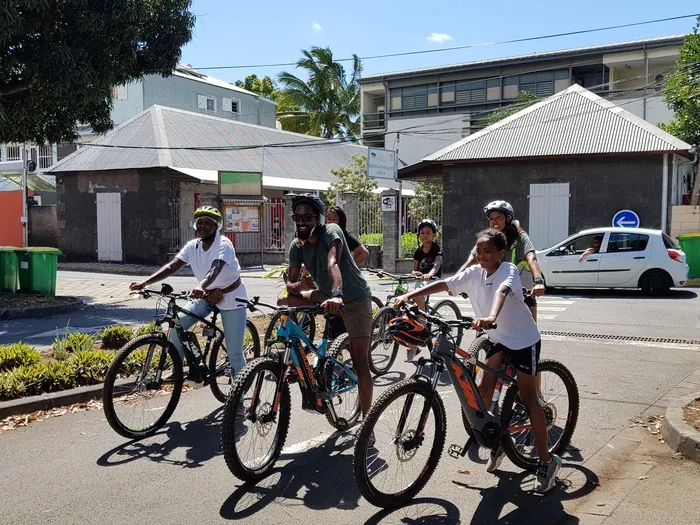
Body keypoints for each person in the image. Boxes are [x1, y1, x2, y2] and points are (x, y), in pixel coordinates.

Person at [394, 228, 562, 493]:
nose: (482, 256)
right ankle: (498, 439)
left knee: (529, 399)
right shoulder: (474, 273)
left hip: (522, 339)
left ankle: (546, 460)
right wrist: (411, 295)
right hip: (498, 338)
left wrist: (491, 316)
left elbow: (502, 293)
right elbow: (446, 284)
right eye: (479, 251)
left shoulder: (508, 270)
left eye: (488, 252)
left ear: (500, 253)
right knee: (483, 389)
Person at [129, 206, 249, 390]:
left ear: (216, 226)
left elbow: (216, 268)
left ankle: (238, 398)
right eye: (199, 223)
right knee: (177, 325)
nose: (202, 226)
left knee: (234, 354)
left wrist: (201, 286)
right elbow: (172, 267)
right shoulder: (193, 246)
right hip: (207, 295)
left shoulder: (223, 243)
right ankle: (184, 366)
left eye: (208, 223)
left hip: (232, 296)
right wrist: (145, 283)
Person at [280, 193, 374, 418]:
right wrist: (298, 286)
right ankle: (298, 358)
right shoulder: (297, 245)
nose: (302, 220)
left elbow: (332, 262)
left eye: (308, 216)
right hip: (324, 294)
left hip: (354, 298)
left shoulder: (332, 231)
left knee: (361, 363)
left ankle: (366, 421)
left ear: (319, 219)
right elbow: (291, 284)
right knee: (283, 302)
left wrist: (338, 295)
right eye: (298, 216)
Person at [457, 201, 545, 322]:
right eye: (491, 218)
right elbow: (472, 260)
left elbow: (531, 258)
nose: (494, 221)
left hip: (521, 281)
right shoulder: (488, 237)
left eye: (498, 217)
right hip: (497, 281)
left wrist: (538, 281)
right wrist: (456, 279)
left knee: (529, 322)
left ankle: (532, 338)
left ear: (508, 219)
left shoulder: (520, 236)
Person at [406, 218, 443, 361]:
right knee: (409, 301)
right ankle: (421, 319)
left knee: (417, 299)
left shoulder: (436, 248)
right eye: (422, 232)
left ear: (434, 235)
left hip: (433, 281)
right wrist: (415, 273)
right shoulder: (418, 251)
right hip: (420, 281)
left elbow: (437, 263)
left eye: (428, 232)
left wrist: (430, 274)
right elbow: (414, 269)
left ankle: (423, 318)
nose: (425, 235)